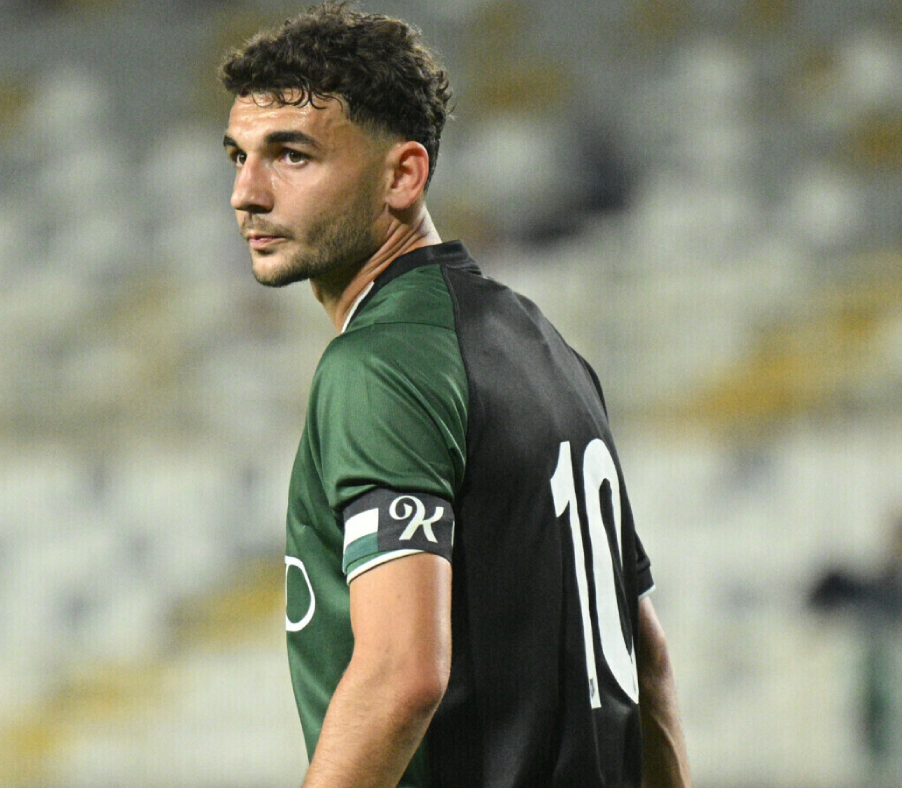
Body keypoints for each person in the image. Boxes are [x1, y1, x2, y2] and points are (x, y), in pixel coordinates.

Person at [217, 4, 690, 787]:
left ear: (403, 175)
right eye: (240, 156)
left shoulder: (384, 363)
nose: (246, 192)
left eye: (291, 155)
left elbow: (401, 676)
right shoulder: (547, 349)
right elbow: (650, 663)